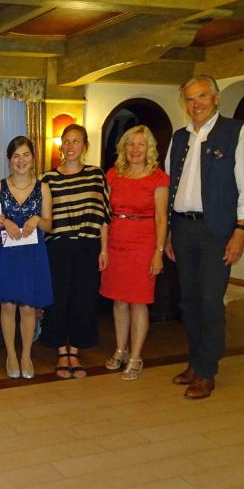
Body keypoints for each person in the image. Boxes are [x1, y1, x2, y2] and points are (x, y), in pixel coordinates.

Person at [166, 75, 244, 399]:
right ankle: (195, 361)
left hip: (216, 231)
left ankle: (207, 370)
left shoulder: (236, 132)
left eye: (202, 96)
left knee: (209, 301)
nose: (196, 104)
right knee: (189, 301)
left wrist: (240, 232)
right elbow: (171, 186)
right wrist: (169, 232)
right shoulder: (179, 137)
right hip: (183, 228)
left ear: (216, 98)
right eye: (190, 98)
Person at [100, 126, 169, 380]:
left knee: (138, 302)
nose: (135, 149)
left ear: (149, 148)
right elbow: (104, 214)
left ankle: (136, 356)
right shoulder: (113, 175)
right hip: (116, 243)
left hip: (143, 246)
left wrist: (158, 252)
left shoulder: (158, 178)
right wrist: (103, 248)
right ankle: (120, 349)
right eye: (130, 144)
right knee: (119, 301)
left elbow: (161, 219)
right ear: (123, 148)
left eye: (141, 144)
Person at [41, 124, 110, 379]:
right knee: (58, 299)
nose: (70, 146)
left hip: (88, 246)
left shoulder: (96, 175)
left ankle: (75, 351)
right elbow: (43, 217)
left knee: (84, 299)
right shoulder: (47, 178)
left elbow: (104, 216)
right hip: (58, 247)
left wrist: (104, 249)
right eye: (66, 141)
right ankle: (62, 351)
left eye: (76, 141)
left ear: (85, 146)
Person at [0, 136, 53, 379]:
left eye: (26, 155)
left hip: (32, 254)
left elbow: (49, 224)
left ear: (33, 158)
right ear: (9, 160)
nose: (21, 160)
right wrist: (4, 221)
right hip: (6, 253)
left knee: (28, 307)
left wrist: (37, 219)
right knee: (7, 305)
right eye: (16, 156)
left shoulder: (43, 188)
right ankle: (11, 355)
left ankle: (26, 355)